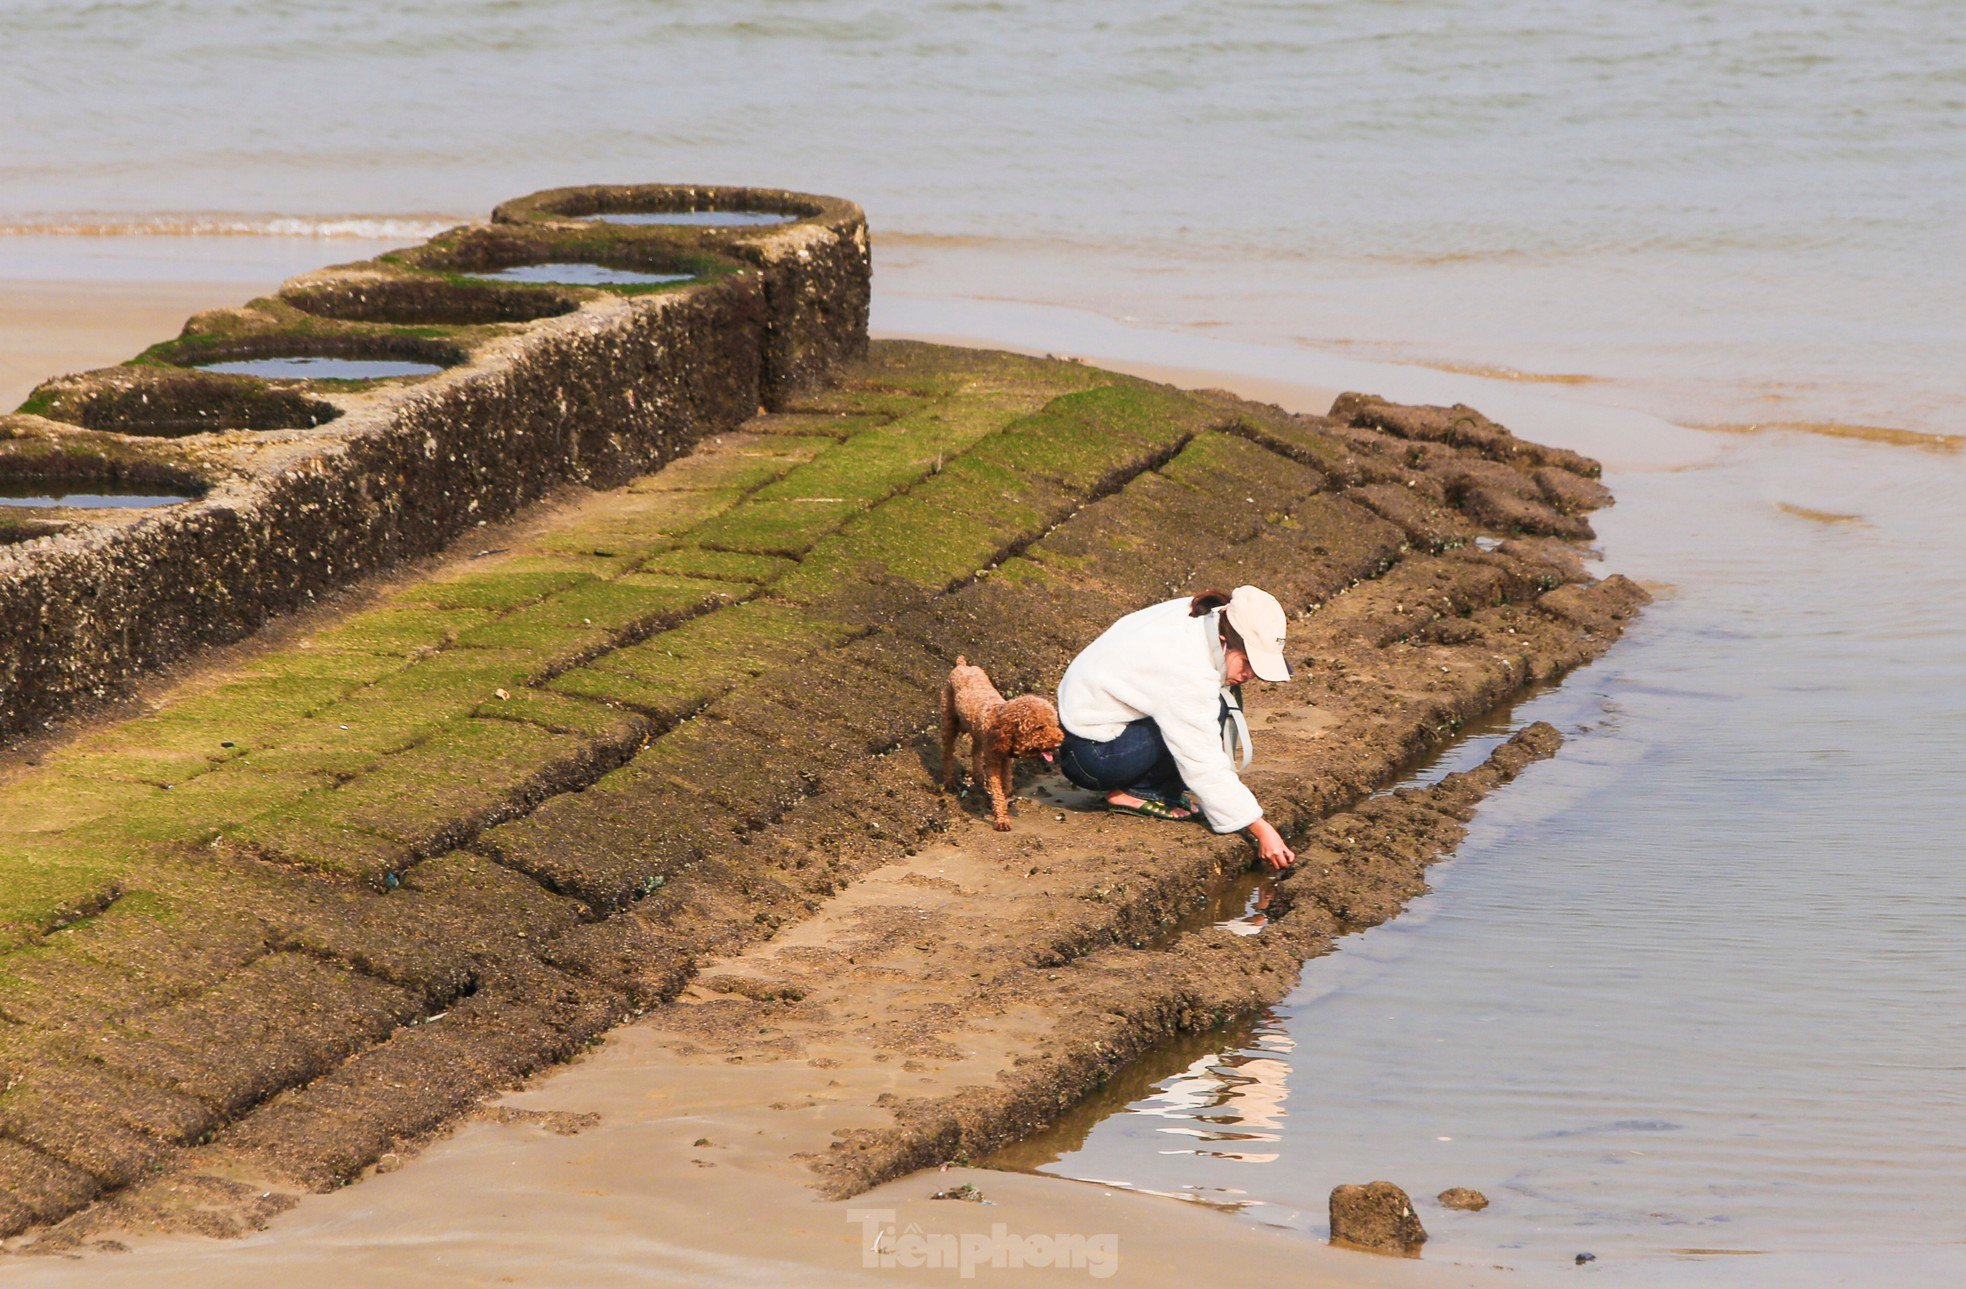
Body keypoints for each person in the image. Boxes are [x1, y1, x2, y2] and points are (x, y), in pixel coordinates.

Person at [1056, 586, 1298, 871]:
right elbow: (1201, 760)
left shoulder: (1204, 616)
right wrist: (1260, 828)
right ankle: (1134, 791)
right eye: (1247, 663)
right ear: (1225, 640)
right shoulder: (1185, 668)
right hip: (1091, 756)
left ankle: (1150, 785)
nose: (1249, 675)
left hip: (1096, 725)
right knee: (1207, 715)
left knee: (1212, 707)